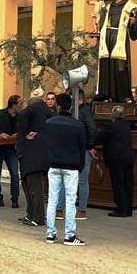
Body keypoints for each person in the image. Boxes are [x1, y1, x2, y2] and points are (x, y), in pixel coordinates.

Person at [44, 93, 87, 245]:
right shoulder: (78, 125)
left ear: (58, 106)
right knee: (70, 200)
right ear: (71, 106)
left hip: (54, 164)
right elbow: (82, 147)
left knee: (52, 199)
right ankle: (69, 235)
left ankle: (50, 234)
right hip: (71, 166)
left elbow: (45, 144)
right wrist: (80, 165)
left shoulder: (49, 123)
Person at [97, 0, 137, 102]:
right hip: (107, 38)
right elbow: (103, 22)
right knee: (106, 65)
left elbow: (135, 29)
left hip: (119, 39)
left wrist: (133, 23)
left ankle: (122, 95)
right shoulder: (109, 6)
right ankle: (106, 94)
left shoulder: (130, 7)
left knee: (120, 67)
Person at [57, 91, 96, 221]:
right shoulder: (78, 112)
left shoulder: (84, 112)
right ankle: (62, 208)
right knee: (70, 178)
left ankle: (81, 210)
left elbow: (92, 129)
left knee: (81, 180)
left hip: (82, 149)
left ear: (78, 99)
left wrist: (90, 145)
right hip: (77, 148)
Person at [16, 91, 53, 226]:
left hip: (30, 154)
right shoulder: (49, 114)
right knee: (33, 186)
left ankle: (37, 217)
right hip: (43, 154)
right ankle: (31, 214)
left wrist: (24, 134)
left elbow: (21, 119)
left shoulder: (30, 111)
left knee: (33, 187)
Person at [95, 105, 135, 217]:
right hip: (129, 157)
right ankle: (128, 209)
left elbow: (99, 137)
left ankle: (121, 209)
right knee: (128, 184)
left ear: (112, 115)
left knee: (118, 184)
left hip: (116, 159)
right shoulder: (127, 125)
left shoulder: (111, 126)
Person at [0, 95, 22, 208]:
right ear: (13, 105)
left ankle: (15, 199)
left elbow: (23, 128)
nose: (21, 106)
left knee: (14, 174)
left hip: (12, 149)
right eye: (20, 104)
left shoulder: (20, 117)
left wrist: (18, 134)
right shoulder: (0, 114)